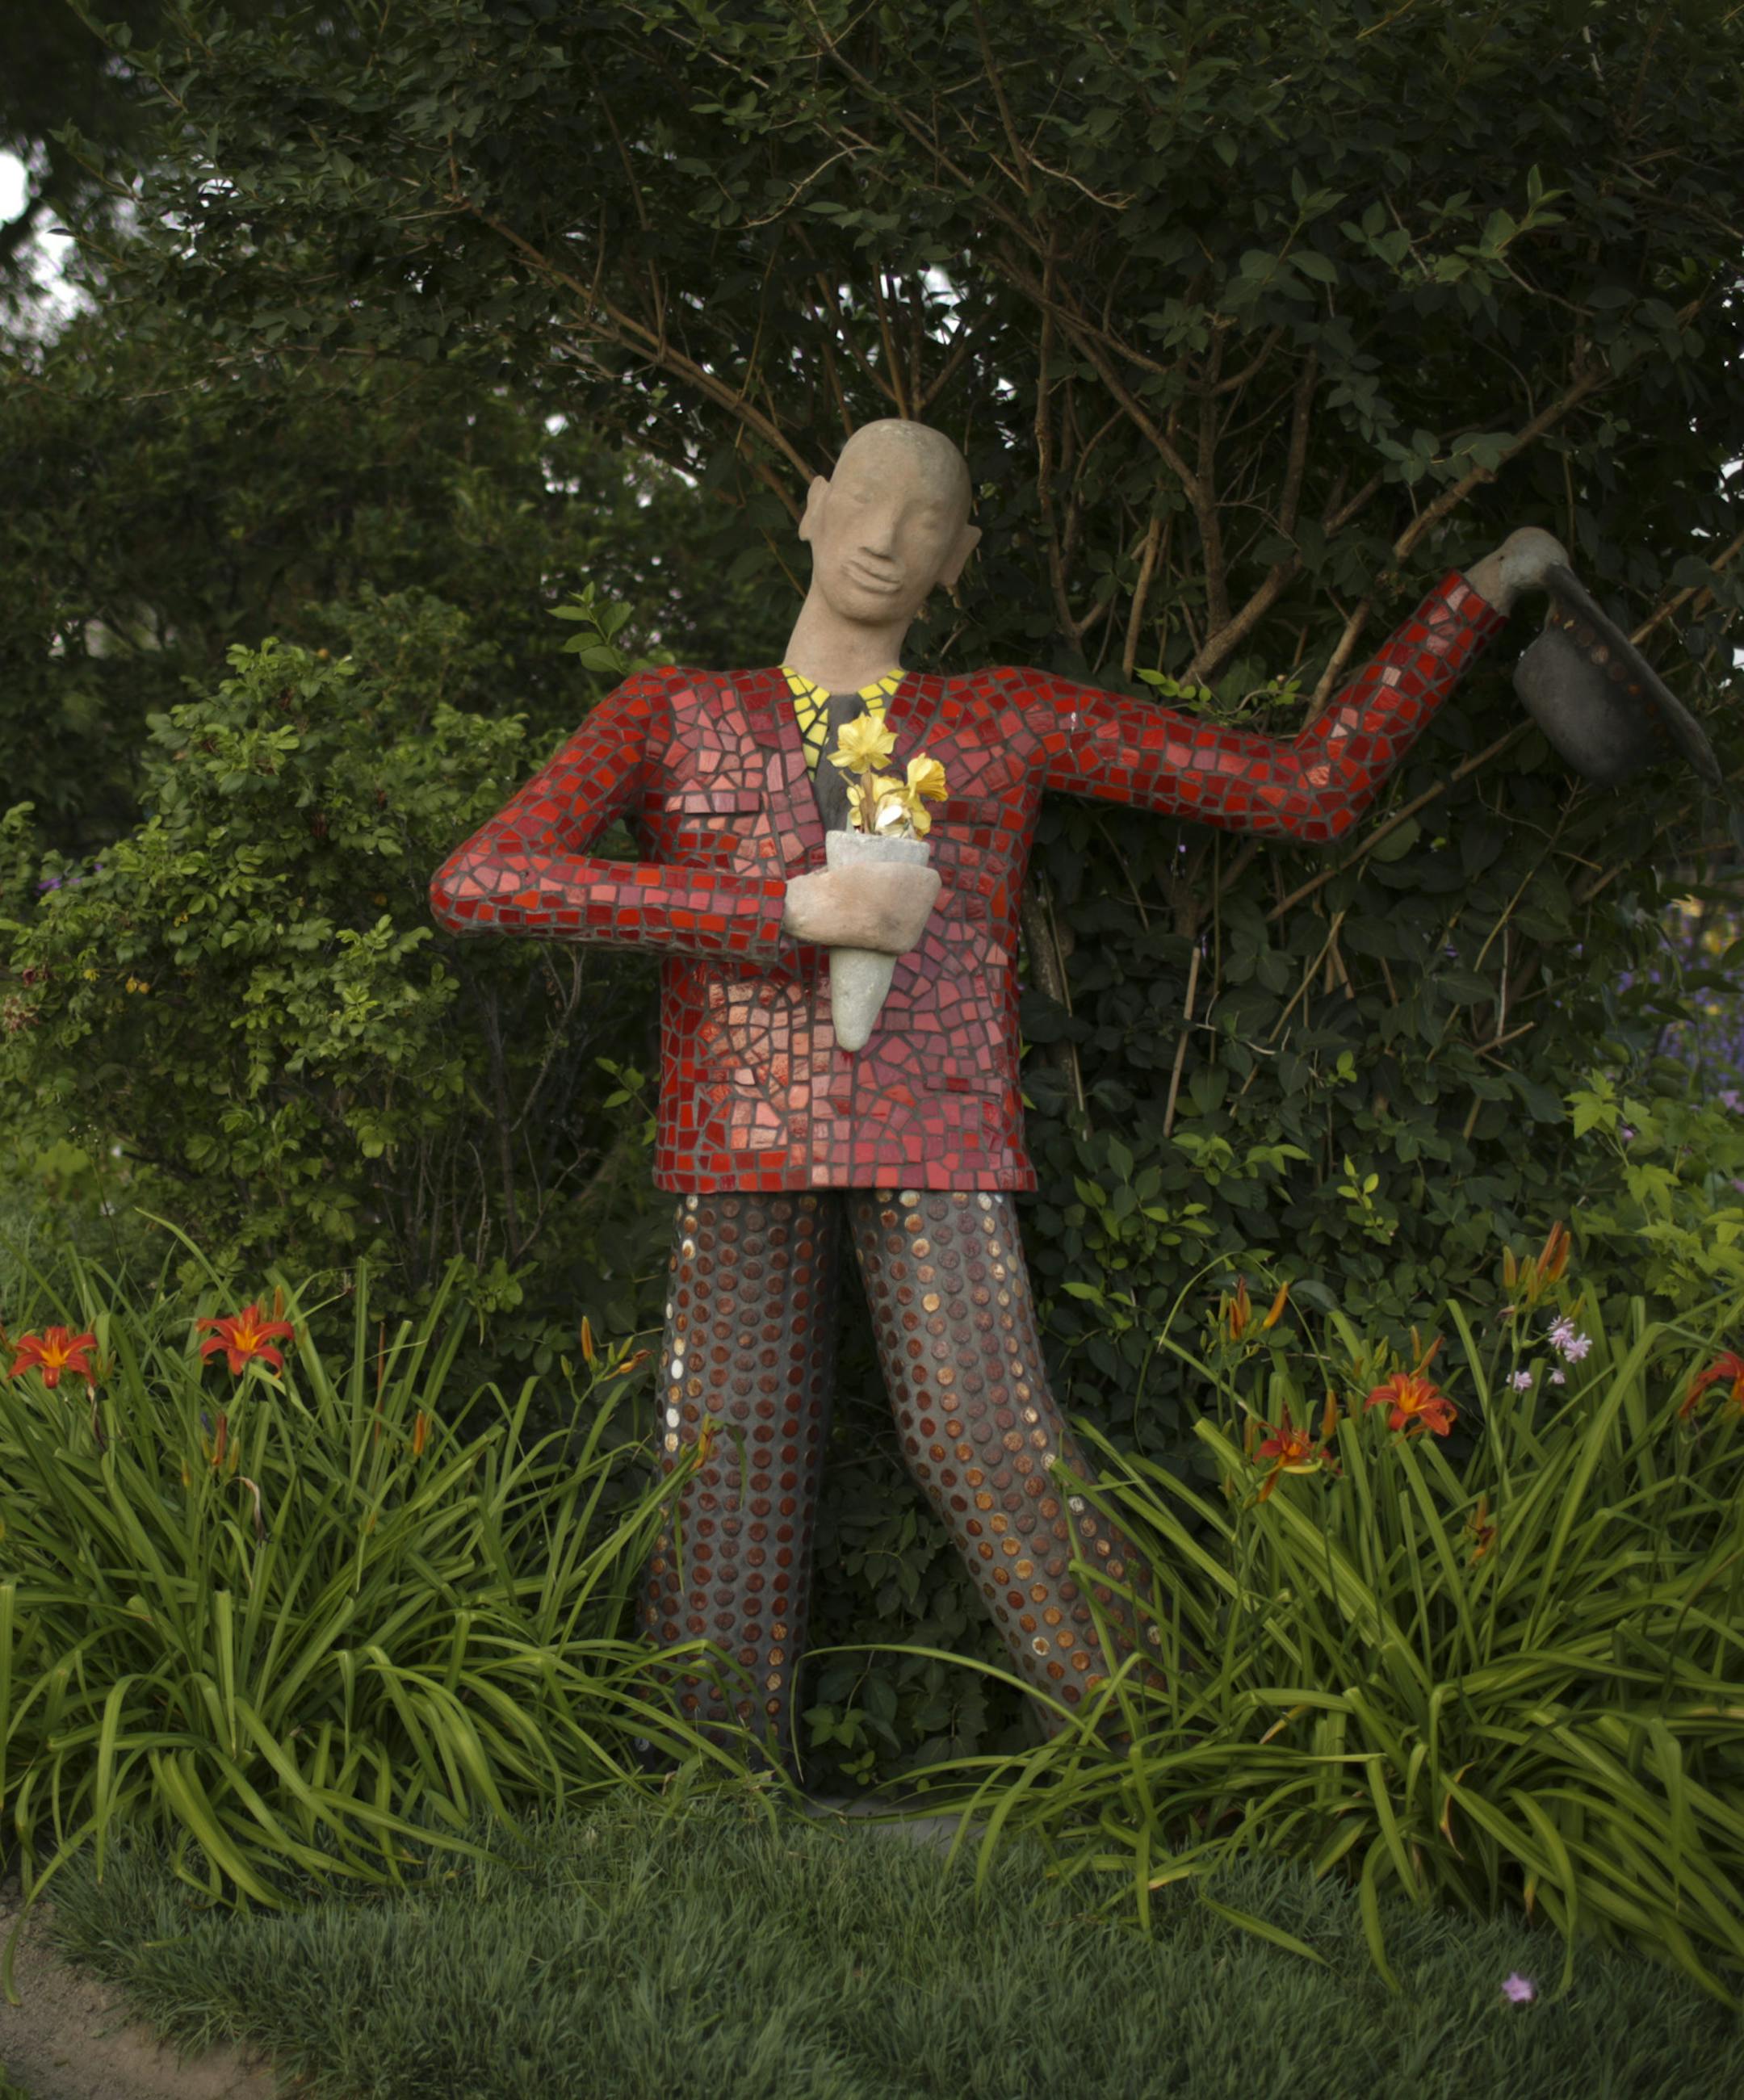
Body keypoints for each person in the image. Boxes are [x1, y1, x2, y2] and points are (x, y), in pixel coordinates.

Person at [430, 418, 1565, 1770]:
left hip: (937, 1123)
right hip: (737, 1127)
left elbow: (1304, 790)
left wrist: (1474, 598)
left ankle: (1153, 1759)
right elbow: (482, 881)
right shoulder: (673, 713)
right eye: (864, 497)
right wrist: (775, 912)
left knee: (987, 1437)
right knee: (723, 1466)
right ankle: (704, 1784)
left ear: (959, 556)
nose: (884, 536)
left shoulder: (999, 720)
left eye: (926, 519)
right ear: (811, 506)